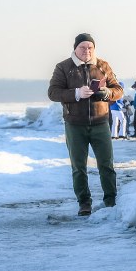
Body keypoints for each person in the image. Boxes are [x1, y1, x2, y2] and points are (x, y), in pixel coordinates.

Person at [47, 33, 123, 216]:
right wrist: (76, 94)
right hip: (75, 124)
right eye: (83, 47)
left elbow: (118, 90)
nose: (86, 51)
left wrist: (106, 93)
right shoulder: (64, 67)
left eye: (90, 47)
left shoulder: (103, 66)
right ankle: (84, 203)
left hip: (100, 122)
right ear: (75, 48)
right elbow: (53, 92)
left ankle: (111, 200)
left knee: (106, 164)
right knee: (79, 166)